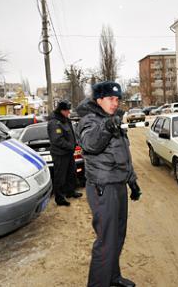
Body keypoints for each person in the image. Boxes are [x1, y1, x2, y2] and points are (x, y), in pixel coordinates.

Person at [76, 81, 142, 287]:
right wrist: (106, 127)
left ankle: (113, 277)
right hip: (103, 188)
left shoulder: (111, 119)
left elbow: (123, 155)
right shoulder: (90, 120)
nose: (115, 103)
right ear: (99, 100)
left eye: (117, 99)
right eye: (111, 99)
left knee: (117, 236)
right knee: (106, 241)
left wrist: (132, 181)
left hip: (118, 185)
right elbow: (90, 143)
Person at [47, 100, 82, 206]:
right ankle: (60, 198)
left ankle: (70, 192)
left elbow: (71, 133)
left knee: (71, 173)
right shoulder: (54, 122)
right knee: (60, 176)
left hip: (68, 153)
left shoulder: (65, 119)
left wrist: (75, 143)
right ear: (61, 110)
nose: (68, 112)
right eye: (67, 111)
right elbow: (57, 140)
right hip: (60, 154)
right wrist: (71, 146)